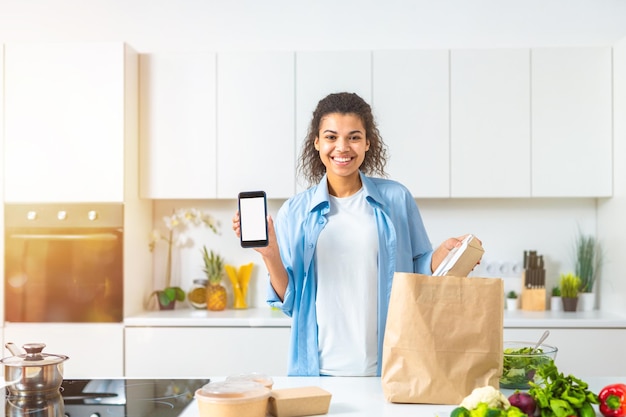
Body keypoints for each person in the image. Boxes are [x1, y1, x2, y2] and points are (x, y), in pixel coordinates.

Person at [232, 92, 478, 377]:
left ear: (367, 143)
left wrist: (446, 256)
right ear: (317, 143)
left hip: (389, 368)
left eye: (354, 137)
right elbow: (291, 301)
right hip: (317, 369)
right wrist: (270, 254)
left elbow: (417, 274)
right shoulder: (295, 211)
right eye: (331, 137)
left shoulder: (396, 198)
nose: (342, 147)